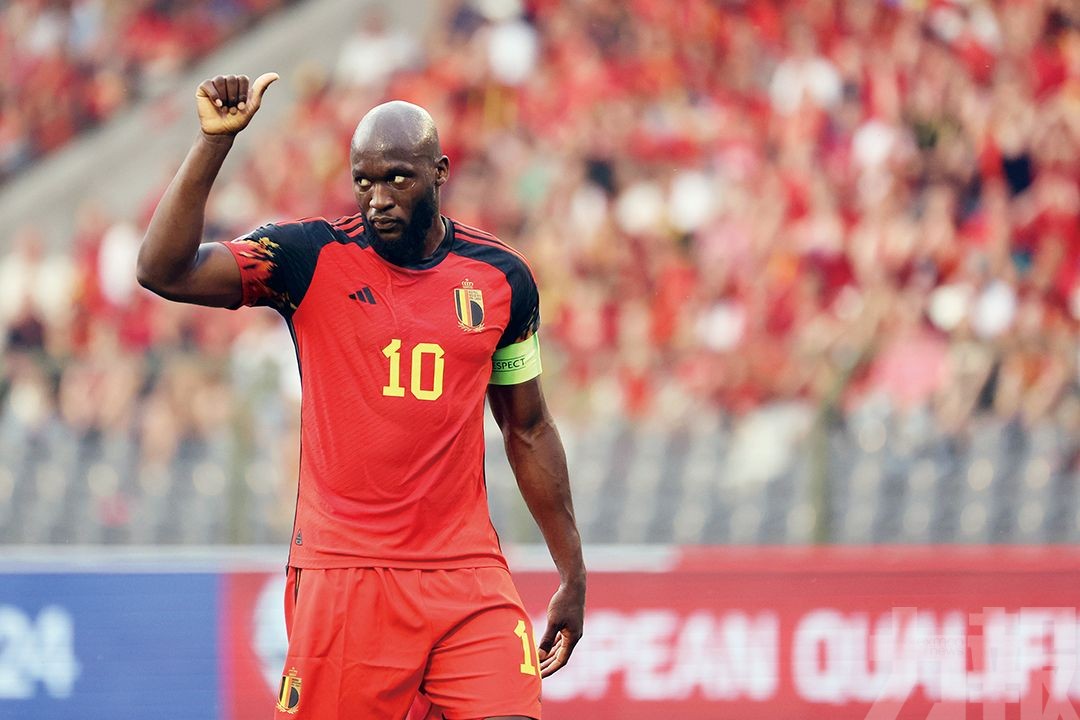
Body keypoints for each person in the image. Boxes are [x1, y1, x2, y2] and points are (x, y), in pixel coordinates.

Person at [137, 73, 585, 720]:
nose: (378, 199)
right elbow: (162, 270)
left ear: (440, 172)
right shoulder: (307, 257)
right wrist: (214, 143)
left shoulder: (501, 278)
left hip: (467, 574)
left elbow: (529, 428)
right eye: (364, 181)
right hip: (347, 573)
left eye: (397, 178)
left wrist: (571, 571)